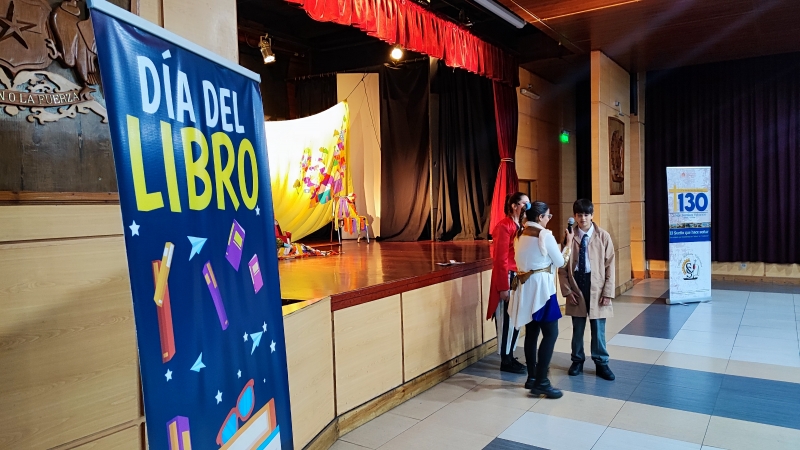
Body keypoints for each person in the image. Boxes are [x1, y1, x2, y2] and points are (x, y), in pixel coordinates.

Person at [509, 201, 572, 398]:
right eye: (548, 216)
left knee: (532, 331)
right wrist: (568, 244)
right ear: (540, 217)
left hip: (525, 287)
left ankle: (532, 377)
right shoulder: (544, 235)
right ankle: (542, 382)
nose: (548, 219)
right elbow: (561, 262)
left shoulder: (520, 233)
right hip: (542, 289)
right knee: (551, 333)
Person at [558, 199, 616, 381]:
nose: (582, 218)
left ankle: (601, 363)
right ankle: (577, 360)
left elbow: (610, 266)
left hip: (597, 285)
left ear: (592, 215)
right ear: (574, 216)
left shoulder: (603, 236)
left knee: (598, 328)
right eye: (579, 215)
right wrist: (567, 291)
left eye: (586, 214)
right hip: (577, 285)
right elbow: (562, 267)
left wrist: (607, 292)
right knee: (577, 328)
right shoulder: (569, 236)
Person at [487, 192, 529, 374]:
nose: (527, 207)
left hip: (517, 276)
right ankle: (506, 359)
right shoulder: (504, 226)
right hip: (508, 277)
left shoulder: (519, 226)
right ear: (514, 205)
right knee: (506, 319)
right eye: (524, 204)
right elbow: (501, 259)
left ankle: (510, 354)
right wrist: (503, 287)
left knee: (515, 319)